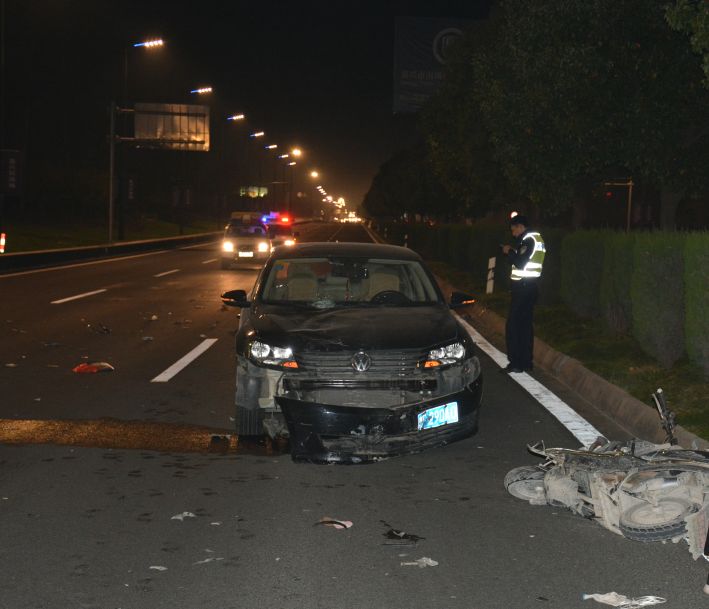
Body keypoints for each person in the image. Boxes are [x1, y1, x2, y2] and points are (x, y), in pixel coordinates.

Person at [501, 215, 545, 373]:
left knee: (513, 325)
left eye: (514, 230)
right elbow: (523, 259)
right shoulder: (535, 239)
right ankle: (526, 362)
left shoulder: (529, 240)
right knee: (525, 326)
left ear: (520, 226)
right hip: (529, 287)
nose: (513, 234)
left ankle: (516, 363)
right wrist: (513, 252)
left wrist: (509, 252)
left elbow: (520, 263)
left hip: (524, 289)